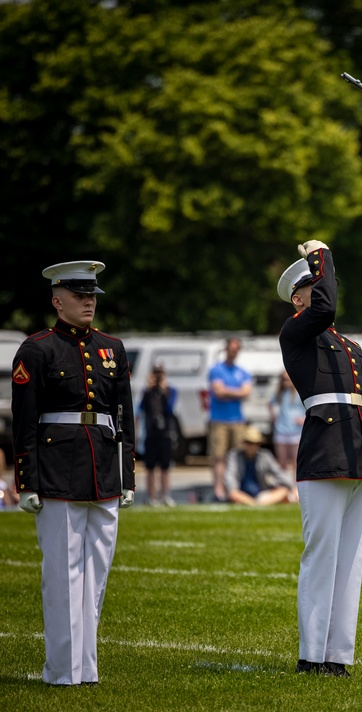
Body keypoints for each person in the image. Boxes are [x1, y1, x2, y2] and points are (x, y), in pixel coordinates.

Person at [11, 260, 136, 686]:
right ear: (57, 300)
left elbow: (123, 416)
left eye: (92, 296)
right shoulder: (37, 348)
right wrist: (26, 480)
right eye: (80, 296)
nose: (89, 303)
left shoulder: (111, 347)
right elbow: (25, 421)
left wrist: (127, 476)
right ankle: (63, 672)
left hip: (102, 468)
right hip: (58, 468)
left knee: (95, 577)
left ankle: (86, 668)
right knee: (64, 576)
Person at [276, 240, 362, 677]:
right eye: (315, 286)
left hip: (358, 454)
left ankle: (338, 655)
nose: (324, 293)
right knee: (322, 555)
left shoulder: (351, 345)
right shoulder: (297, 332)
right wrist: (321, 253)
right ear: (298, 299)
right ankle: (311, 654)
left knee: (351, 559)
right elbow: (324, 308)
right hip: (323, 452)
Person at [208, 337, 252, 501]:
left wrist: (228, 392)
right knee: (219, 457)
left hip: (237, 420)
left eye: (237, 349)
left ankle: (235, 490)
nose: (234, 352)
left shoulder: (243, 371)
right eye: (232, 349)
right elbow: (218, 392)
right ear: (226, 349)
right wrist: (236, 392)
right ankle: (218, 492)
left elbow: (247, 393)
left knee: (238, 457)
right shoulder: (216, 369)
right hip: (219, 420)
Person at [224, 426, 294, 506]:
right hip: (241, 493)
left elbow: (279, 473)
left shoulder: (265, 456)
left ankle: (256, 504)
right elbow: (230, 479)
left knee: (283, 491)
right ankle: (256, 504)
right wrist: (235, 492)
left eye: (255, 443)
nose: (252, 446)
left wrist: (291, 487)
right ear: (244, 443)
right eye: (249, 443)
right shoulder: (234, 456)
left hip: (262, 494)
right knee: (233, 494)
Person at [139, 363, 178, 506]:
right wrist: (149, 389)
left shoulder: (170, 391)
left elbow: (170, 408)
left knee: (165, 467)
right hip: (151, 432)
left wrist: (163, 390)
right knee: (150, 467)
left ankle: (165, 495)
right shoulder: (147, 392)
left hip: (166, 433)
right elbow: (141, 409)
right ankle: (151, 496)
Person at [270, 371, 306, 477]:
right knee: (282, 463)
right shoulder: (279, 393)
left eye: (287, 379)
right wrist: (273, 417)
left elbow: (309, 407)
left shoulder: (299, 393)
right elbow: (269, 404)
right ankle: (284, 486)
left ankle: (295, 488)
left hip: (296, 431)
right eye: (283, 379)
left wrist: (304, 419)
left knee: (296, 462)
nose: (285, 382)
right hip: (281, 430)